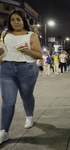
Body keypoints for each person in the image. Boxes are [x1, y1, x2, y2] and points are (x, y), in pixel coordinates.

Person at [0, 9, 42, 144]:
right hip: (7, 69)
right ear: (9, 22)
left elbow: (39, 55)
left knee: (26, 95)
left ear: (23, 20)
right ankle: (3, 132)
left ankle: (29, 116)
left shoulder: (31, 35)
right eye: (12, 20)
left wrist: (28, 51)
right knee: (8, 100)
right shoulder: (5, 34)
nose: (15, 22)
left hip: (27, 69)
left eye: (18, 19)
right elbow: (3, 52)